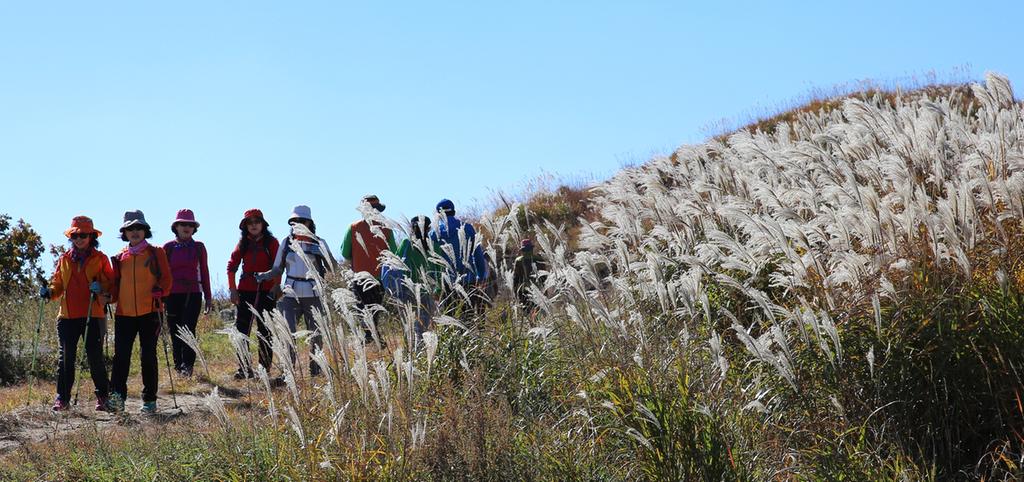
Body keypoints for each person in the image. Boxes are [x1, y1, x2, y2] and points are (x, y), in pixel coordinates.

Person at [40, 216, 114, 411]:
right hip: (67, 316)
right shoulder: (64, 259)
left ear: (91, 237)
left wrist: (101, 287)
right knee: (66, 359)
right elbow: (57, 284)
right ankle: (62, 399)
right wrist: (49, 292)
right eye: (75, 235)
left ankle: (104, 397)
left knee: (95, 358)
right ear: (71, 237)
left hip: (93, 314)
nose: (79, 239)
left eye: (83, 235)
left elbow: (110, 283)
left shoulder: (100, 258)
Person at [256, 205, 337, 376]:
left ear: (309, 223)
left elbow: (333, 267)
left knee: (316, 334)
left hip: (313, 293)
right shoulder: (286, 243)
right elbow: (278, 269)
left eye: (301, 221)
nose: (297, 224)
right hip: (289, 295)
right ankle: (288, 373)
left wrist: (322, 254)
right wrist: (264, 275)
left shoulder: (319, 242)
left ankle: (316, 370)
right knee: (288, 333)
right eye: (294, 221)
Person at [108, 210, 172, 413]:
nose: (134, 232)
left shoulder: (156, 252)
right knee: (121, 357)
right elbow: (115, 288)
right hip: (124, 314)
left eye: (138, 228)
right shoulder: (119, 258)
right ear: (124, 233)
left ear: (145, 230)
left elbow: (167, 279)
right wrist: (106, 296)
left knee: (148, 356)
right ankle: (117, 399)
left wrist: (161, 290)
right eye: (130, 229)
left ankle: (149, 401)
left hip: (150, 312)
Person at [226, 208, 280, 379]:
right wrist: (233, 289)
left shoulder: (272, 242)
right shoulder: (243, 244)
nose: (253, 225)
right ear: (245, 226)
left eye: (257, 221)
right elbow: (231, 267)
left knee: (266, 331)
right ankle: (244, 368)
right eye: (249, 222)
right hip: (245, 291)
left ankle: (264, 369)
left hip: (266, 291)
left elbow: (278, 267)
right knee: (242, 330)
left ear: (263, 224)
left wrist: (276, 286)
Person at [340, 195, 397, 343]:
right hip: (380, 278)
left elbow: (345, 253)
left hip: (360, 278)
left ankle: (370, 338)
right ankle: (373, 338)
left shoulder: (353, 228)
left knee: (363, 309)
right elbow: (394, 253)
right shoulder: (387, 229)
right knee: (374, 310)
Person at [162, 209, 212, 377]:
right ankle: (178, 365)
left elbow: (204, 271)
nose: (186, 227)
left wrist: (208, 297)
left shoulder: (199, 247)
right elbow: (162, 273)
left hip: (193, 293)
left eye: (190, 225)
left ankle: (187, 366)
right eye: (182, 224)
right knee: (175, 329)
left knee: (189, 329)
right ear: (176, 227)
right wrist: (161, 296)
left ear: (194, 228)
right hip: (172, 294)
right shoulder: (168, 247)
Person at [382, 215, 440, 339]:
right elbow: (439, 270)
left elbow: (395, 263)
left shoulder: (407, 243)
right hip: (427, 291)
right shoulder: (434, 246)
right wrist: (438, 290)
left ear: (412, 228)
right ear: (428, 228)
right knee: (422, 326)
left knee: (410, 326)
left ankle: (415, 347)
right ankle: (420, 346)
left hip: (408, 290)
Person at [429, 199, 490, 315]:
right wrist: (481, 275)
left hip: (446, 284)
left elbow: (432, 262)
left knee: (451, 318)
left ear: (438, 215)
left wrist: (435, 287)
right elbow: (477, 254)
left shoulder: (433, 234)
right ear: (454, 212)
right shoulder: (467, 228)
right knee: (468, 317)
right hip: (468, 280)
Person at [512, 239, 547, 313]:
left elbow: (515, 278)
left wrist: (515, 292)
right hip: (538, 290)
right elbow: (544, 277)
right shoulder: (539, 259)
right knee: (537, 312)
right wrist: (545, 292)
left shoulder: (519, 260)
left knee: (526, 312)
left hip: (523, 291)